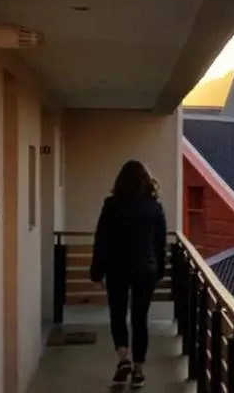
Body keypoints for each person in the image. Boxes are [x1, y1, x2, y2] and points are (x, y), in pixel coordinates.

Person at [88, 160, 168, 389]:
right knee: (140, 319)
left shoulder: (111, 206)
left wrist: (96, 272)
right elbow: (160, 243)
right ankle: (139, 371)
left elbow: (101, 240)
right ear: (145, 181)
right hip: (145, 270)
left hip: (117, 269)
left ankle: (124, 357)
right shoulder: (154, 207)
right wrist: (159, 269)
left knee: (118, 314)